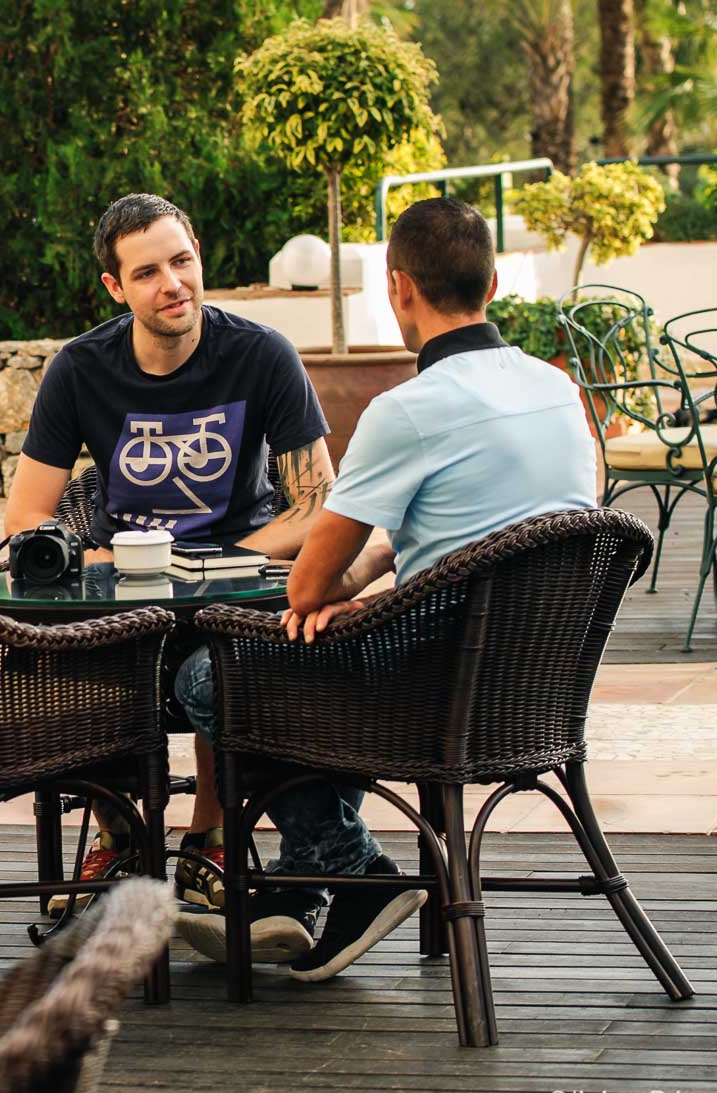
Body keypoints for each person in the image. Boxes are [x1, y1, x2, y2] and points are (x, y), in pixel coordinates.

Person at [174, 196, 598, 981]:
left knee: (213, 674)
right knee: (301, 658)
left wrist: (334, 588)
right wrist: (367, 574)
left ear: (398, 289)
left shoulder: (408, 410)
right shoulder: (556, 389)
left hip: (433, 694)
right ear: (494, 283)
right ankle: (318, 878)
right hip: (539, 686)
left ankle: (347, 869)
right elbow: (496, 526)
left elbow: (302, 589)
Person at [4, 193, 337, 919]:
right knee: (83, 646)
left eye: (182, 261)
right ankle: (116, 830)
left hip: (238, 584)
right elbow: (28, 515)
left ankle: (208, 836)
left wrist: (220, 561)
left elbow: (315, 502)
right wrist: (100, 561)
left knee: (216, 652)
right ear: (116, 289)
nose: (173, 284)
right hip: (128, 579)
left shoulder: (261, 354)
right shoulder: (81, 368)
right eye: (148, 272)